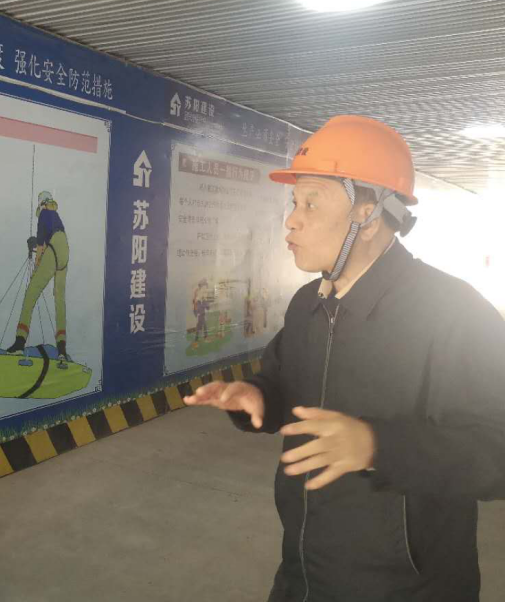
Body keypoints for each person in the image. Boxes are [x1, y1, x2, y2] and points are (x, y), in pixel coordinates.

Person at [186, 115, 504, 601]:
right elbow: (286, 381)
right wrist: (258, 396)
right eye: (295, 202)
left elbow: (495, 450)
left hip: (408, 586)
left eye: (312, 202)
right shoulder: (307, 304)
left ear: (368, 215)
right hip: (304, 570)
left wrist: (378, 446)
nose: (292, 219)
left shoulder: (453, 311)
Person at [7, 190, 70, 361]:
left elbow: (41, 247)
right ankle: (62, 350)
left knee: (31, 293)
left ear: (41, 203)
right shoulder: (55, 215)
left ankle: (19, 343)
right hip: (64, 251)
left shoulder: (44, 214)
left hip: (53, 248)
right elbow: (51, 240)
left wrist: (36, 269)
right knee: (59, 299)